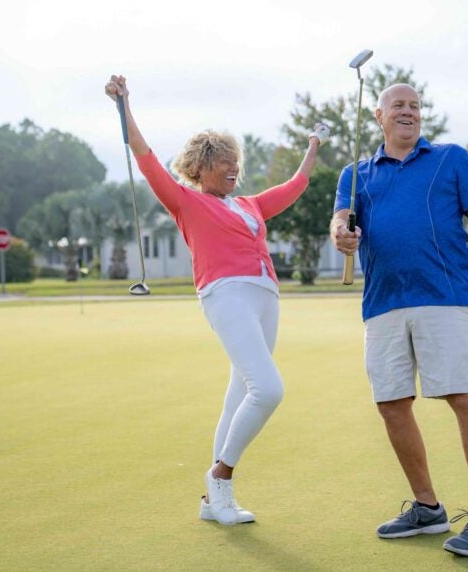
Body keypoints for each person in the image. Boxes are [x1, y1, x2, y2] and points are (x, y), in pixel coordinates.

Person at [105, 74, 327, 526]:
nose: (232, 168)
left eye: (234, 161)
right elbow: (144, 155)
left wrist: (313, 146)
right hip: (225, 294)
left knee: (240, 393)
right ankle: (220, 478)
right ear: (200, 167)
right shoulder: (184, 200)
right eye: (222, 161)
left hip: (266, 296)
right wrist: (125, 102)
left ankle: (212, 504)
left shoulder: (249, 205)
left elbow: (293, 187)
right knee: (268, 389)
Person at [329, 83, 468, 557]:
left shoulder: (451, 158)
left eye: (415, 106)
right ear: (379, 115)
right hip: (383, 303)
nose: (409, 112)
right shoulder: (355, 174)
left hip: (443, 298)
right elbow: (341, 218)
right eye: (399, 106)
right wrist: (340, 232)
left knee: (463, 397)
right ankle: (427, 507)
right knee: (391, 404)